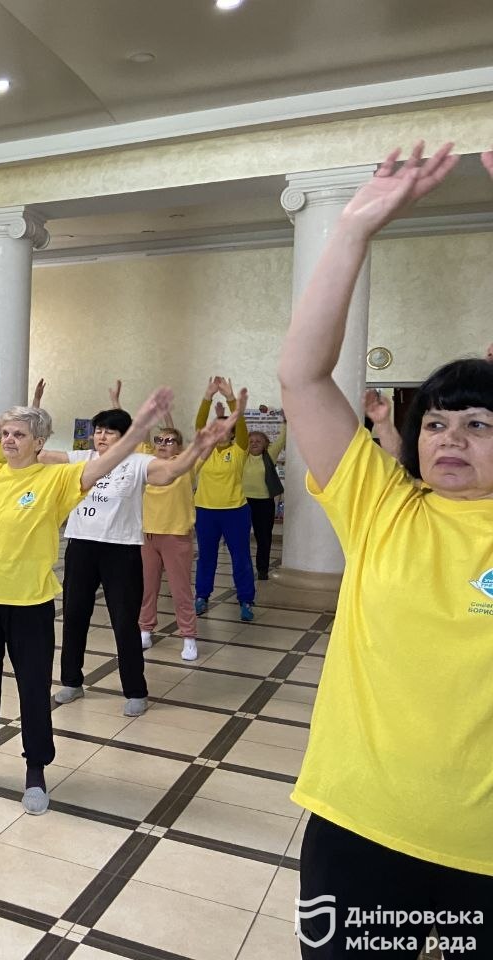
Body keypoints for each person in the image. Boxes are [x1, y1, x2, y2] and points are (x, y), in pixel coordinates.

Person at [280, 141, 493, 957]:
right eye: (436, 421)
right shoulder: (383, 508)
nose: (450, 436)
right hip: (360, 828)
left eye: (478, 424)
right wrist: (353, 228)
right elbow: (303, 378)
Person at [0, 384, 239, 814]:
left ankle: (35, 771)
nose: (9, 440)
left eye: (19, 434)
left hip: (29, 603)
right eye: (6, 433)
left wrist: (142, 424)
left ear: (39, 442)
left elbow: (109, 462)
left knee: (32, 688)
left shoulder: (57, 479)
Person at [47, 393, 234, 716]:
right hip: (81, 546)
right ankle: (72, 681)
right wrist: (11, 431)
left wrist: (198, 446)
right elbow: (40, 456)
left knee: (124, 623)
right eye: (98, 431)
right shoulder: (81, 458)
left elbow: (171, 471)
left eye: (109, 432)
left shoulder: (137, 462)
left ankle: (135, 690)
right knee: (74, 617)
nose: (101, 436)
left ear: (124, 437)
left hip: (122, 552)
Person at [138, 423, 204, 663]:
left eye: (169, 440)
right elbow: (139, 433)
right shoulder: (147, 464)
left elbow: (202, 449)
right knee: (147, 587)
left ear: (179, 446)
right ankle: (145, 630)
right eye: (159, 440)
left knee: (180, 589)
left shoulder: (186, 465)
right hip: (148, 536)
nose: (163, 444)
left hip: (176, 536)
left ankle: (188, 636)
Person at [193, 377, 256, 621]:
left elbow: (241, 425)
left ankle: (246, 600)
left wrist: (231, 398)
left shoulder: (239, 450)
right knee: (206, 557)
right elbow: (199, 425)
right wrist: (207, 396)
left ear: (231, 432)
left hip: (235, 512)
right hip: (205, 511)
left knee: (240, 557)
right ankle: (202, 596)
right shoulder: (204, 450)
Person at [243, 410, 286, 580]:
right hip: (243, 502)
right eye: (251, 441)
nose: (254, 443)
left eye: (258, 441)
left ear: (265, 444)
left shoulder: (270, 456)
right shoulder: (242, 457)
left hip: (264, 503)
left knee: (263, 537)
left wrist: (286, 420)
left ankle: (262, 569)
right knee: (240, 538)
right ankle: (244, 569)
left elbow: (282, 438)